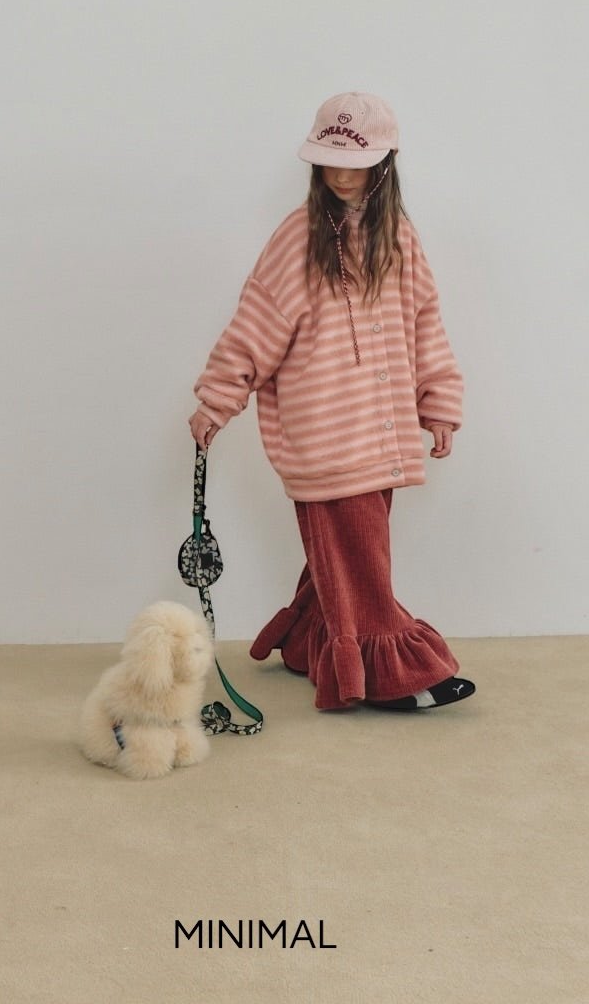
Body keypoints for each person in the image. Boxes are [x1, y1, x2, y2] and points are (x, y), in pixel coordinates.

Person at [188, 91, 475, 713]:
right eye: (329, 162)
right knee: (362, 563)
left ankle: (307, 641)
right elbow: (256, 325)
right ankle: (391, 676)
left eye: (356, 164)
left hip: (382, 431)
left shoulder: (400, 239)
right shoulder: (298, 238)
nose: (341, 176)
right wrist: (217, 401)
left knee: (345, 558)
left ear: (385, 164)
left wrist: (438, 403)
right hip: (321, 433)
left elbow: (425, 323)